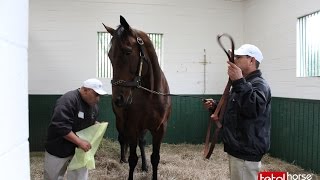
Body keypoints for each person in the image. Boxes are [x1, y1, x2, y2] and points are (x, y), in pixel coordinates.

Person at [204, 44, 271, 180]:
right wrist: (216, 106)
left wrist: (239, 81)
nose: (234, 60)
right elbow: (237, 108)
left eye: (238, 57)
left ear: (251, 60)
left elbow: (253, 109)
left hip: (246, 151)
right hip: (239, 149)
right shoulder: (243, 84)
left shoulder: (259, 84)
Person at [44, 78, 107, 180]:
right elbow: (60, 125)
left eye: (99, 96)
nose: (98, 99)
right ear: (85, 90)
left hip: (78, 151)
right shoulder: (68, 100)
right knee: (52, 177)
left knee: (79, 177)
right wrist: (79, 142)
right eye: (96, 94)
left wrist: (96, 126)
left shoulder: (93, 106)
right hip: (58, 148)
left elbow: (89, 121)